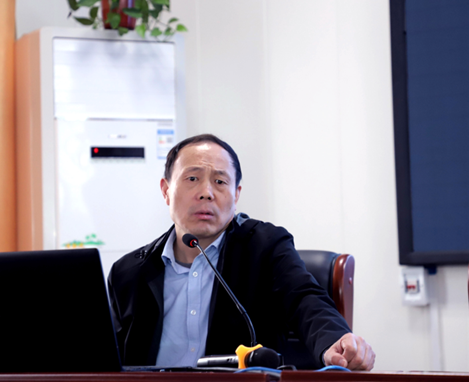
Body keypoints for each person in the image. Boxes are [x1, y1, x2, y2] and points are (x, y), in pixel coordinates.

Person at [108, 134, 375, 370]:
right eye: (192, 178)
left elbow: (304, 299)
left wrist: (334, 340)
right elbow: (107, 357)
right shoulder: (128, 273)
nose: (206, 193)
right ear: (166, 191)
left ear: (236, 195)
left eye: (220, 181)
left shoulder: (265, 247)